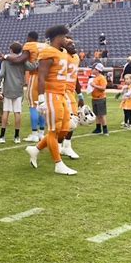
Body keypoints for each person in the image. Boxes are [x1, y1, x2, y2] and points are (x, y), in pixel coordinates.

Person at [25, 25, 77, 175]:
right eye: (65, 37)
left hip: (61, 94)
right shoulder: (48, 52)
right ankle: (58, 164)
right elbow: (41, 76)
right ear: (58, 37)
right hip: (51, 94)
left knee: (66, 127)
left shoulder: (62, 52)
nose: (67, 40)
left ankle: (36, 149)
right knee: (54, 130)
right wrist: (41, 99)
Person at [4, 31, 46, 142]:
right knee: (42, 105)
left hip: (35, 77)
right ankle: (42, 132)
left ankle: (34, 133)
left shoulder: (29, 45)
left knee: (33, 105)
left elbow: (19, 59)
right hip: (45, 78)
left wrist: (6, 56)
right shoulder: (44, 46)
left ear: (29, 37)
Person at [0, 42, 26, 144]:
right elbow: (31, 67)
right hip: (19, 89)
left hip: (8, 89)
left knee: (6, 112)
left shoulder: (6, 61)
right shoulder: (22, 61)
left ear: (11, 50)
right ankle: (17, 136)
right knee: (17, 112)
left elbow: (1, 75)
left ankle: (2, 136)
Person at [60, 36, 84, 159]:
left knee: (71, 121)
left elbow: (76, 77)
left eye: (73, 43)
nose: (73, 45)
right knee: (67, 121)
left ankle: (64, 146)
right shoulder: (62, 55)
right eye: (69, 44)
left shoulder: (76, 57)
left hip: (70, 92)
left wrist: (80, 94)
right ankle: (62, 146)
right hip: (61, 91)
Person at [90, 63, 108, 135]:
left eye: (93, 69)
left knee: (102, 114)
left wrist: (94, 85)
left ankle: (105, 129)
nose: (92, 70)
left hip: (100, 98)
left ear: (97, 70)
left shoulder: (101, 78)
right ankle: (98, 128)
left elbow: (103, 88)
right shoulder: (95, 77)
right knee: (96, 114)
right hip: (94, 98)